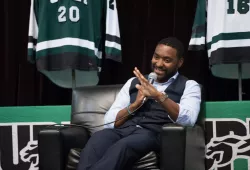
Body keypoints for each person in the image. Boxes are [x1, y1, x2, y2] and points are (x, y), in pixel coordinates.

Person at [76, 37, 201, 170]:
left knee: (124, 146)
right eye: (156, 57)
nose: (159, 64)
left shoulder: (189, 86)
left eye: (167, 60)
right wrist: (135, 105)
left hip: (151, 134)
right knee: (98, 137)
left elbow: (189, 119)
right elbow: (109, 120)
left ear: (179, 62)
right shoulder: (133, 82)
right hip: (123, 130)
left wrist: (159, 96)